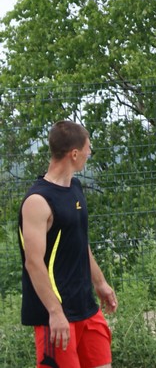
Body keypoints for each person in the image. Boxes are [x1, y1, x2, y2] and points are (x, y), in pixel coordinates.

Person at [19, 120, 118, 368]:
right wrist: (55, 312)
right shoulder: (38, 201)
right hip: (55, 315)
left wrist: (100, 282)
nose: (89, 153)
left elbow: (79, 242)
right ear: (74, 153)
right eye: (88, 148)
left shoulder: (75, 187)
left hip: (86, 307)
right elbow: (33, 263)